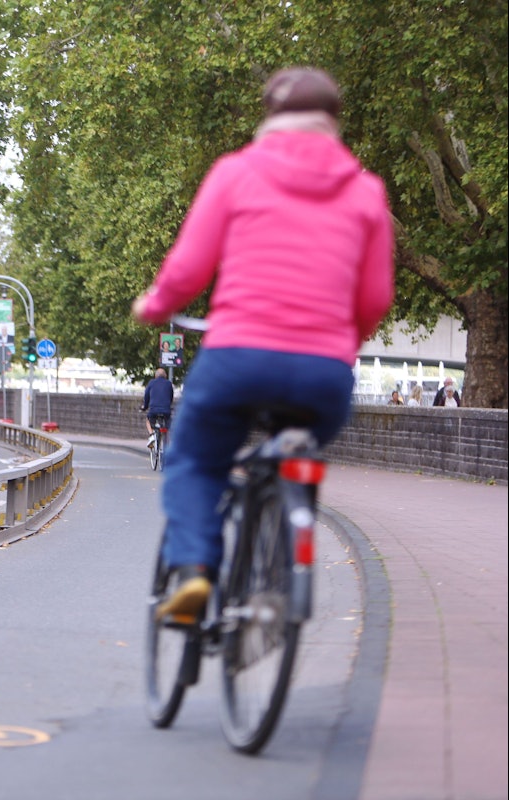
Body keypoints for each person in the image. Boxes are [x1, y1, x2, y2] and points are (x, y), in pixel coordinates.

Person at [131, 67, 394, 620]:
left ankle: (197, 571)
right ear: (333, 124)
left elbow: (188, 270)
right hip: (324, 373)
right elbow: (374, 298)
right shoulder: (366, 191)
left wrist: (153, 307)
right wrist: (342, 340)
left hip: (237, 358)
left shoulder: (237, 173)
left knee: (195, 461)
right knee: (292, 445)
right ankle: (281, 519)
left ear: (270, 116)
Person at [141, 368, 174, 447]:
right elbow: (171, 397)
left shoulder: (151, 383)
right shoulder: (169, 384)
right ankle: (167, 445)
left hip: (153, 410)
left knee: (148, 420)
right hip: (166, 410)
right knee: (167, 427)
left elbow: (146, 396)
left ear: (155, 376)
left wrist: (145, 407)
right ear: (165, 375)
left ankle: (152, 435)